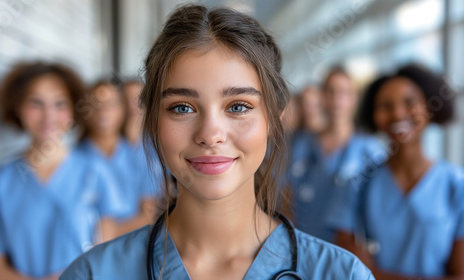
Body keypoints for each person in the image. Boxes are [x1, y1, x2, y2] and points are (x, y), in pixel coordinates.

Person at [61, 5, 374, 279]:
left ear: (273, 118)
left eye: (238, 107)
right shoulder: (92, 274)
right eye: (181, 108)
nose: (210, 134)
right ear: (153, 120)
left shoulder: (343, 274)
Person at [0, 62, 126, 280]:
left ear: (72, 110)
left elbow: (106, 257)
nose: (49, 115)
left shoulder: (96, 171)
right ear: (18, 107)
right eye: (36, 103)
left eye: (60, 104)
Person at [327, 64, 464, 279]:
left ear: (429, 106)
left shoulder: (457, 185)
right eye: (385, 106)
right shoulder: (357, 184)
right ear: (373, 115)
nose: (398, 113)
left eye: (410, 102)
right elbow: (353, 269)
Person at [285, 67, 385, 242]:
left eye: (344, 93)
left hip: (348, 248)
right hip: (304, 244)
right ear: (322, 97)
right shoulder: (303, 144)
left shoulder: (370, 150)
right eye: (331, 92)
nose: (337, 100)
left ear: (355, 99)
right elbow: (288, 195)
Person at [77, 78, 159, 235]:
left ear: (123, 110)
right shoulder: (73, 159)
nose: (103, 111)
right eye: (95, 104)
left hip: (128, 245)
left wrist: (111, 233)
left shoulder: (141, 157)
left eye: (111, 105)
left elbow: (150, 214)